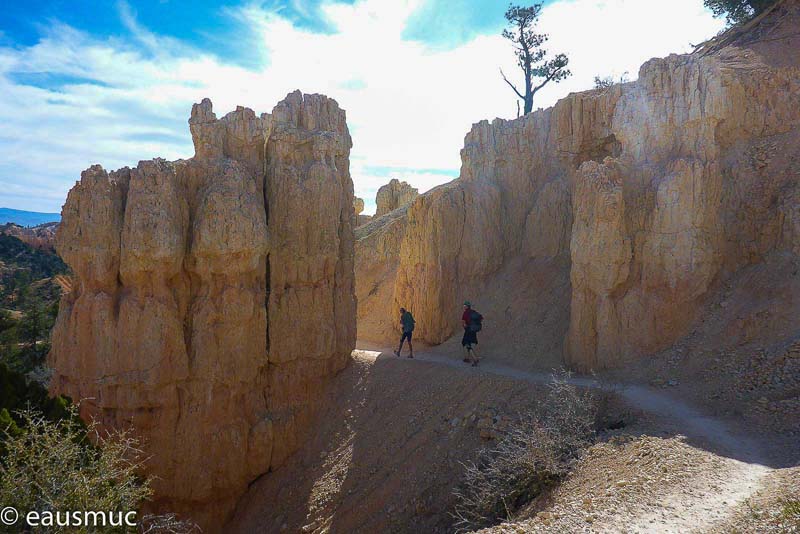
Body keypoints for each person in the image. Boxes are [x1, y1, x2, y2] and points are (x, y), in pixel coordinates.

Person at [461, 301, 483, 366]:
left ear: (466, 306)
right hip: (473, 330)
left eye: (464, 305)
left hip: (468, 330)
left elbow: (463, 323)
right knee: (467, 342)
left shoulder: (465, 313)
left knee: (466, 343)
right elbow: (481, 318)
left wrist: (466, 327)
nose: (463, 306)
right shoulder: (473, 311)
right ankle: (467, 358)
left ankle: (475, 359)